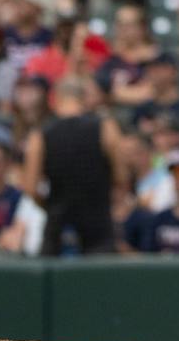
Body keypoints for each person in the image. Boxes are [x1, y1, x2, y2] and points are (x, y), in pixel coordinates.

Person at [22, 76, 124, 255]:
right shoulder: (106, 127)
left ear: (55, 99)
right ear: (84, 99)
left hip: (59, 224)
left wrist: (50, 206)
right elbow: (121, 176)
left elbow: (30, 187)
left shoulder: (40, 134)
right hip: (98, 222)